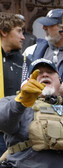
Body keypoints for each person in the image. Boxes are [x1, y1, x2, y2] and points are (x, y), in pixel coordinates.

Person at [0, 12, 27, 154]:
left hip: (16, 134)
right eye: (18, 31)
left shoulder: (25, 63)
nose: (23, 37)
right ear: (4, 32)